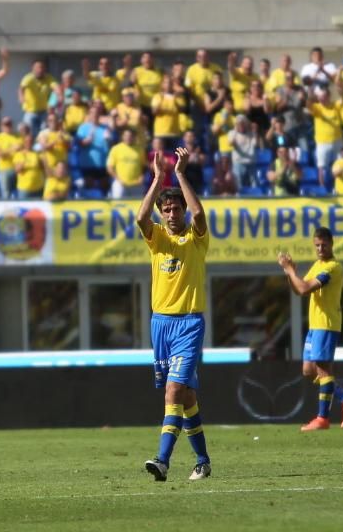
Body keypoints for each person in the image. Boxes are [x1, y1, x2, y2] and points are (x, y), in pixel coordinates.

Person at [137, 147, 212, 482]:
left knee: (173, 392)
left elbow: (199, 214)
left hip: (189, 324)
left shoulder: (196, 240)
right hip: (160, 325)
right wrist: (156, 177)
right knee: (187, 396)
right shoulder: (157, 240)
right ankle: (203, 461)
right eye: (165, 209)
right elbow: (141, 218)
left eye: (175, 208)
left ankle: (163, 460)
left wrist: (179, 173)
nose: (170, 213)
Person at [277, 228, 343, 431]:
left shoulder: (333, 267)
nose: (320, 248)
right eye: (317, 245)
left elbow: (306, 288)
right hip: (315, 326)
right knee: (308, 370)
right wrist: (290, 272)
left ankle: (323, 417)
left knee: (323, 370)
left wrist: (290, 271)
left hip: (326, 324)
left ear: (331, 244)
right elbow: (300, 289)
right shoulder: (318, 265)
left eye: (324, 245)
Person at [107, 129, 144, 199]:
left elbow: (144, 166)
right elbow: (110, 167)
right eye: (126, 136)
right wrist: (118, 179)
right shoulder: (116, 149)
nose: (128, 137)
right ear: (122, 137)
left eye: (130, 136)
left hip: (136, 184)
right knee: (118, 205)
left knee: (138, 206)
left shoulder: (140, 149)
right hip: (120, 184)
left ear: (134, 137)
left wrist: (142, 176)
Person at [0, 116, 21, 199]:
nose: (8, 126)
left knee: (20, 192)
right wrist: (12, 149)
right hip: (5, 169)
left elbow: (22, 149)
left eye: (9, 124)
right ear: (2, 126)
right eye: (6, 124)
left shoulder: (18, 136)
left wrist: (4, 152)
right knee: (6, 193)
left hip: (18, 168)